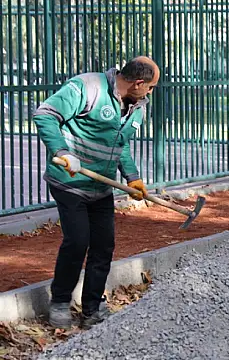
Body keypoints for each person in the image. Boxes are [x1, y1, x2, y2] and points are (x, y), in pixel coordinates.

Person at [33, 56, 160, 328]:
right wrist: (62, 151)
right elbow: (45, 114)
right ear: (139, 82)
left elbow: (120, 145)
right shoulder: (87, 87)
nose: (151, 92)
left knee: (103, 246)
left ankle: (92, 309)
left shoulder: (137, 107)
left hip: (101, 186)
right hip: (69, 181)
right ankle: (59, 303)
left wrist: (133, 178)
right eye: (150, 87)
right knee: (78, 241)